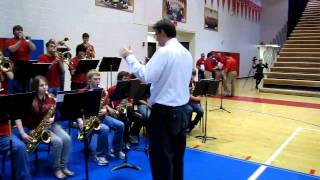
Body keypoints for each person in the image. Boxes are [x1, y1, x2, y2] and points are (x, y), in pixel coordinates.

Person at [120, 19, 192, 180]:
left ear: (162, 32)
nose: (156, 38)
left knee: (161, 160)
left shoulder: (165, 51)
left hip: (164, 113)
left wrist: (129, 57)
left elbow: (146, 76)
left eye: (156, 34)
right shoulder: (186, 52)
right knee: (176, 158)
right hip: (182, 111)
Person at [15, 75, 74, 179]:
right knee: (57, 141)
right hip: (35, 129)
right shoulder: (29, 100)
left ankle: (63, 166)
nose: (45, 87)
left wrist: (53, 118)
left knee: (67, 138)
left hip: (51, 125)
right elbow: (17, 116)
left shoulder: (50, 97)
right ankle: (56, 168)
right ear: (35, 87)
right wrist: (22, 133)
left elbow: (57, 113)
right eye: (41, 85)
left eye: (46, 84)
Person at [82, 69, 125, 161]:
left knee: (121, 125)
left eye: (99, 79)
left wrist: (105, 109)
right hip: (89, 119)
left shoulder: (102, 91)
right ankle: (101, 155)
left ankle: (116, 150)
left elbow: (105, 104)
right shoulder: (83, 92)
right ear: (89, 80)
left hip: (102, 116)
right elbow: (78, 110)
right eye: (95, 79)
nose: (98, 81)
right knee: (105, 129)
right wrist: (81, 121)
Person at [6, 25, 36, 94]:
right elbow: (12, 50)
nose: (20, 31)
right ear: (13, 32)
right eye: (17, 30)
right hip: (15, 67)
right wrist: (20, 40)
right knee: (17, 88)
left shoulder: (26, 40)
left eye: (21, 30)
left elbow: (34, 48)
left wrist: (28, 41)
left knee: (27, 88)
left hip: (26, 67)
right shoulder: (10, 40)